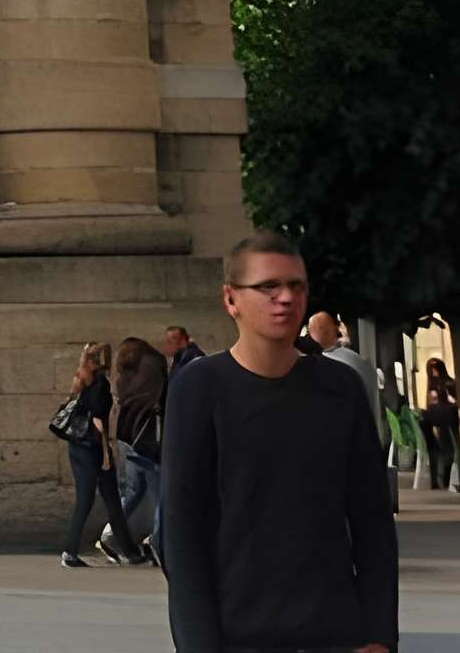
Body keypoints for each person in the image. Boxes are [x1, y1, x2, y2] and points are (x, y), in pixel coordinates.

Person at [160, 230, 399, 653]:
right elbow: (181, 533)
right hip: (238, 636)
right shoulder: (199, 387)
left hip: (336, 633)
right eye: (268, 286)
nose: (285, 298)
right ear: (231, 299)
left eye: (296, 286)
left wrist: (380, 636)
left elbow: (372, 521)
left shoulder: (340, 388)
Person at [54, 339, 128, 570]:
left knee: (109, 500)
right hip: (92, 448)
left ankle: (129, 550)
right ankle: (70, 551)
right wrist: (106, 454)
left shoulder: (81, 379)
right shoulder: (99, 385)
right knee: (91, 500)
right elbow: (98, 421)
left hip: (77, 446)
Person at [106, 335, 168, 566]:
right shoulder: (151, 372)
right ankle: (157, 542)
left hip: (127, 439)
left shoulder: (124, 380)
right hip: (144, 443)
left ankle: (110, 535)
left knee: (134, 491)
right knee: (162, 496)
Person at [416, 359, 459, 492]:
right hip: (443, 419)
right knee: (443, 450)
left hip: (441, 418)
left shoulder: (445, 384)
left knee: (442, 449)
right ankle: (441, 479)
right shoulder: (436, 384)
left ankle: (439, 479)